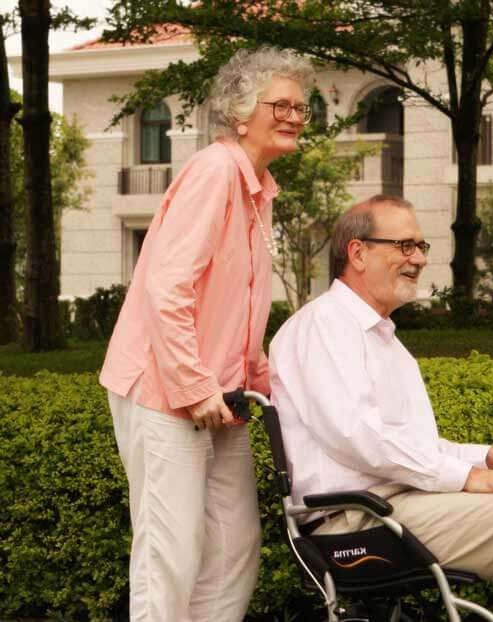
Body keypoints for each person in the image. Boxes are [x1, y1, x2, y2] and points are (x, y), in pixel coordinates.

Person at [269, 195, 493, 622]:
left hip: (401, 503)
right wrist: (472, 478)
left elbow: (411, 446)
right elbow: (360, 440)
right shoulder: (323, 325)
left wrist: (490, 456)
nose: (417, 259)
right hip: (354, 522)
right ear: (358, 252)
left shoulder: (384, 341)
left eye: (421, 247)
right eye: (404, 246)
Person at [99, 47, 314, 621]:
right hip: (168, 389)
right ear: (240, 112)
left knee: (233, 546)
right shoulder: (215, 170)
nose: (295, 115)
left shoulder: (260, 188)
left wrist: (271, 383)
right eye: (282, 104)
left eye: (303, 107)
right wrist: (194, 386)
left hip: (223, 396)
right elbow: (166, 289)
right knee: (170, 550)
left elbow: (238, 312)